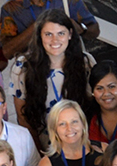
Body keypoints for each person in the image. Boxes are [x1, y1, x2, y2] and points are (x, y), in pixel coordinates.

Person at [10, 9, 92, 142]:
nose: (55, 40)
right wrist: (37, 152)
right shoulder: (23, 67)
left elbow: (92, 107)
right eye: (48, 34)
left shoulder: (86, 63)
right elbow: (23, 117)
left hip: (79, 140)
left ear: (70, 34)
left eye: (61, 33)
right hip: (42, 142)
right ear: (40, 36)